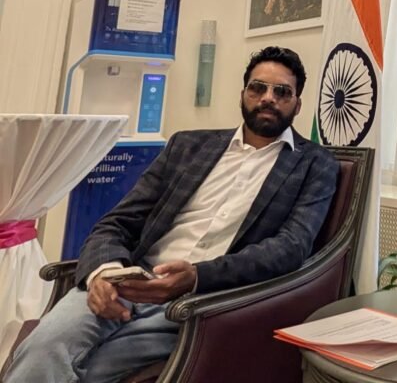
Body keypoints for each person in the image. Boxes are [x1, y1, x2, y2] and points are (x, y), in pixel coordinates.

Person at [4, 46, 339, 383]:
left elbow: (291, 247)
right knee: (41, 351)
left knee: (91, 372)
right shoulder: (188, 146)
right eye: (258, 87)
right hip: (126, 281)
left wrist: (197, 276)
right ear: (243, 94)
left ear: (297, 104)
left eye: (282, 92)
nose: (268, 98)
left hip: (194, 303)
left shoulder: (315, 165)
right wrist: (103, 274)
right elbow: (118, 222)